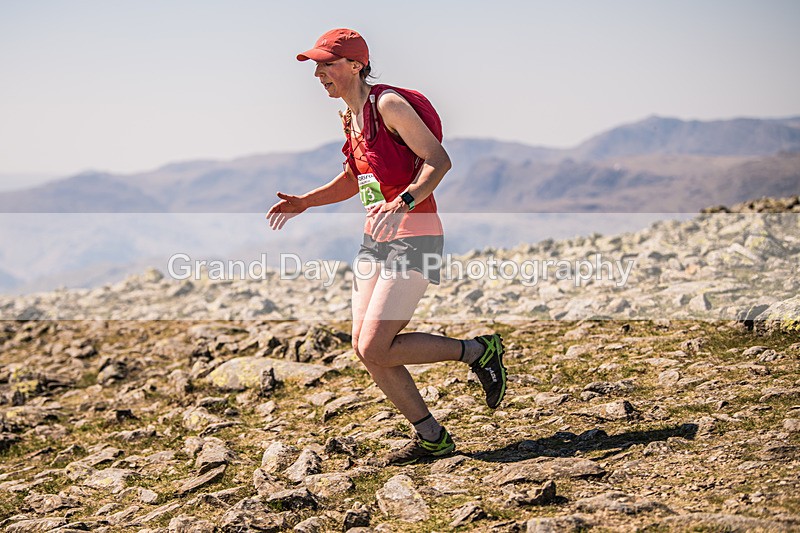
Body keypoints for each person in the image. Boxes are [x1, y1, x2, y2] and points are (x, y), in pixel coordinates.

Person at [266, 28, 508, 465]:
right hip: (375, 239)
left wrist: (404, 202)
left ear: (356, 65)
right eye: (317, 66)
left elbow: (439, 160)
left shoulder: (387, 105)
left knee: (377, 345)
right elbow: (353, 179)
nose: (319, 73)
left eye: (327, 64)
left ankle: (478, 351)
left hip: (415, 233)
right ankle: (432, 437)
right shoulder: (349, 117)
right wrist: (306, 201)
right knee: (364, 347)